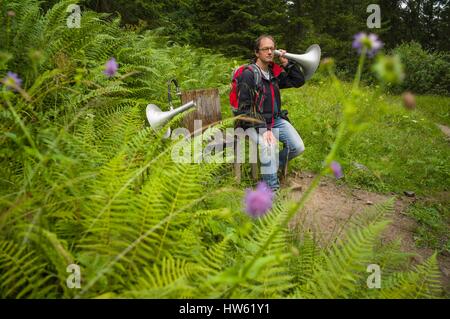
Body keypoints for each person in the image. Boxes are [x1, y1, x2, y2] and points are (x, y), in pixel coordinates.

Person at [234, 35, 306, 191]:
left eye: (272, 48)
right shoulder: (249, 74)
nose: (269, 52)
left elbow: (298, 81)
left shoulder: (274, 73)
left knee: (297, 147)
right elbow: (244, 110)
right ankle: (272, 190)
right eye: (265, 49)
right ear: (256, 52)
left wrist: (287, 63)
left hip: (274, 120)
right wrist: (264, 129)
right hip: (250, 123)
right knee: (269, 146)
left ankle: (271, 169)